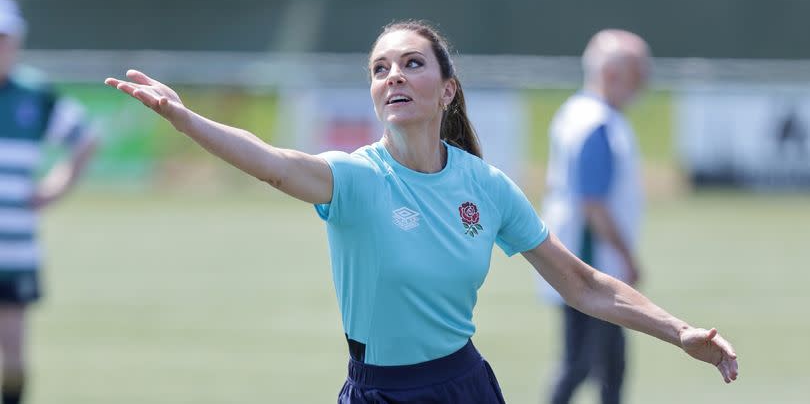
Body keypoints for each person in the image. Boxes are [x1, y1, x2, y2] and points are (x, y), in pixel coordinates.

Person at [105, 20, 738, 403]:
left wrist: (678, 330)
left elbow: (583, 283)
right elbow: (271, 161)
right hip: (377, 391)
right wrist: (185, 121)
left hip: (461, 386)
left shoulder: (485, 187)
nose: (394, 76)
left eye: (413, 63)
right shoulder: (354, 177)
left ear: (448, 89)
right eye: (381, 69)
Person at [540, 29, 652, 404]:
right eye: (638, 73)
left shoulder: (578, 113)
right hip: (590, 266)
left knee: (609, 363)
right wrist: (627, 258)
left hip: (583, 261)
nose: (644, 83)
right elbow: (593, 205)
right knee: (581, 363)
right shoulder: (597, 124)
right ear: (611, 74)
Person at [0, 0, 98, 404]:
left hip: (16, 249)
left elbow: (86, 139)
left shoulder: (34, 93)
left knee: (13, 357)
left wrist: (56, 186)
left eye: (4, 39)